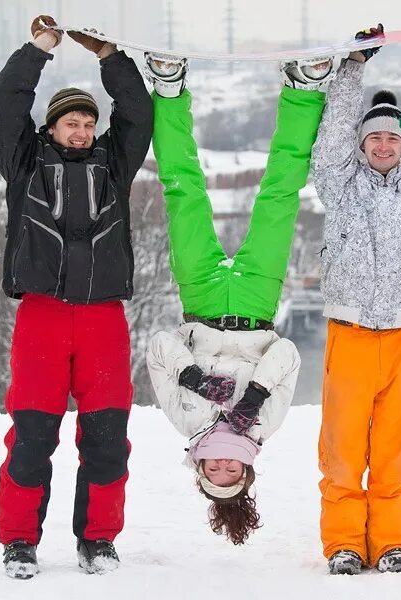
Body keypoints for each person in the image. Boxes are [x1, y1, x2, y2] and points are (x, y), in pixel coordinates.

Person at [143, 53, 334, 544]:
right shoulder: (265, 424)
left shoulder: (184, 418)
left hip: (201, 298)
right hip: (255, 305)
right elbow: (289, 355)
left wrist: (191, 375)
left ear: (201, 465)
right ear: (247, 470)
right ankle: (305, 90)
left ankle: (168, 89)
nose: (224, 463)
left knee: (182, 192)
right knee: (280, 195)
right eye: (233, 472)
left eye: (215, 471)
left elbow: (159, 347)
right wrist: (254, 395)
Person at [0, 16, 152, 578]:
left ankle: (98, 540)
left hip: (104, 318)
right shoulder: (24, 165)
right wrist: (40, 50)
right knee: (32, 436)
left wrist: (110, 57)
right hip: (43, 317)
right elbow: (6, 107)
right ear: (52, 129)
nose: (80, 131)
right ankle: (18, 542)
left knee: (107, 438)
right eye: (70, 123)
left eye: (87, 123)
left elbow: (138, 113)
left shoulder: (114, 166)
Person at [311, 21, 401, 575]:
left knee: (397, 449)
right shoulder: (339, 184)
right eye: (374, 137)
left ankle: (392, 542)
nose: (383, 144)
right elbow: (330, 137)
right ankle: (344, 542)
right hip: (349, 333)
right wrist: (355, 65)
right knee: (344, 449)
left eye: (394, 138)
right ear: (361, 144)